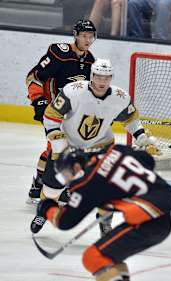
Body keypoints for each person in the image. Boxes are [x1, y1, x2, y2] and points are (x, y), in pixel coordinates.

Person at [30, 59, 159, 234]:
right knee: (52, 186)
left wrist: (142, 138)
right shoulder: (73, 92)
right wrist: (58, 142)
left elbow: (131, 120)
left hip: (101, 147)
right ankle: (43, 212)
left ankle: (105, 222)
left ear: (111, 78)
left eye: (106, 78)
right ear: (92, 76)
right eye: (98, 77)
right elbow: (51, 116)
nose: (102, 81)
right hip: (70, 147)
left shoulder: (120, 98)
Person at [35, 144, 171, 281]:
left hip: (149, 221)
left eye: (66, 174)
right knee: (110, 261)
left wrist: (46, 207)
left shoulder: (86, 183)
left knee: (93, 258)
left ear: (77, 166)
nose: (67, 180)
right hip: (161, 213)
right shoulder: (116, 150)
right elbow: (147, 159)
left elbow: (64, 222)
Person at [25, 20, 97, 205]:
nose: (87, 40)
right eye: (84, 36)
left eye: (91, 36)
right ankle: (43, 185)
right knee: (56, 148)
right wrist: (39, 102)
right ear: (76, 36)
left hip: (71, 113)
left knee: (60, 149)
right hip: (53, 110)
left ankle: (38, 185)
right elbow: (33, 77)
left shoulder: (91, 61)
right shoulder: (60, 53)